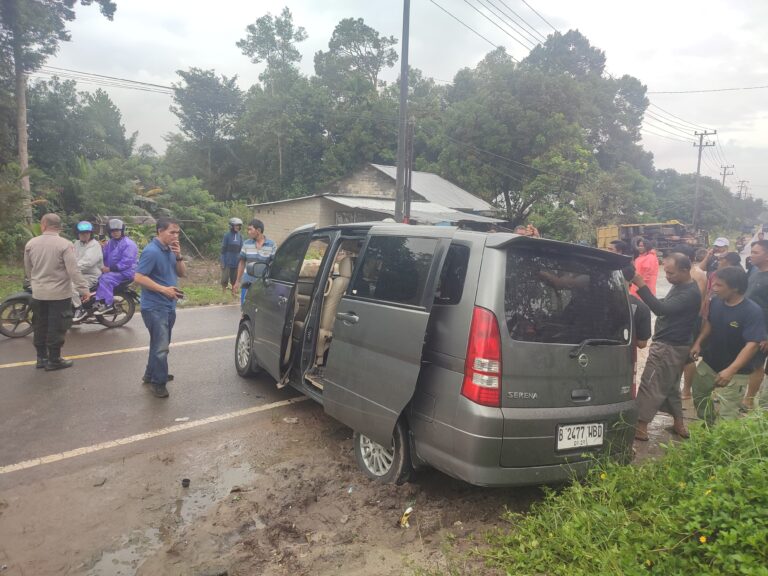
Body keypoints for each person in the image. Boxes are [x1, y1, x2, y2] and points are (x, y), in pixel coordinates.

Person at [631, 253, 701, 441]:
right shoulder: (682, 286)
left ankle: (640, 427)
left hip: (668, 346)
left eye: (671, 273)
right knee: (670, 386)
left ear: (685, 270)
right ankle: (679, 423)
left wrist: (641, 285)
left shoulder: (689, 293)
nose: (667, 276)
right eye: (666, 272)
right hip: (677, 345)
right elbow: (667, 305)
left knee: (651, 383)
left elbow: (661, 309)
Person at [690, 266, 765, 419]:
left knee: (728, 414)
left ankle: (721, 431)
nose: (714, 288)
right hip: (710, 362)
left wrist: (731, 370)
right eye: (714, 284)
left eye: (719, 285)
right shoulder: (716, 302)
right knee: (699, 395)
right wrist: (698, 342)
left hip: (737, 371)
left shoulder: (752, 311)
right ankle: (709, 425)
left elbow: (752, 345)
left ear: (735, 288)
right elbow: (709, 323)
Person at [23, 213, 90, 370]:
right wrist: (84, 289)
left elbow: (28, 269)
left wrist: (36, 283)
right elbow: (73, 271)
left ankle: (41, 358)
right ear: (59, 226)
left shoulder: (31, 243)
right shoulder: (65, 245)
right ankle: (54, 360)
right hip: (59, 295)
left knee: (40, 325)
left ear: (43, 225)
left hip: (38, 293)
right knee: (57, 326)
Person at [133, 218, 186, 398]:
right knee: (161, 346)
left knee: (159, 343)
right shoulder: (151, 251)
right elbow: (139, 277)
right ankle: (159, 382)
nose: (175, 236)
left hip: (169, 305)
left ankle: (151, 374)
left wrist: (179, 256)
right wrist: (164, 290)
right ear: (160, 231)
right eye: (172, 232)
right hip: (154, 307)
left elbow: (182, 273)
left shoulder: (170, 250)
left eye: (177, 233)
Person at [681, 248, 710, 399]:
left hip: (692, 318)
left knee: (688, 356)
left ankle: (687, 390)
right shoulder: (687, 273)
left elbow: (696, 300)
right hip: (685, 318)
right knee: (682, 355)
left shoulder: (696, 274)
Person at [95, 218, 138, 315]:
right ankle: (96, 301)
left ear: (122, 230)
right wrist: (100, 247)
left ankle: (108, 304)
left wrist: (109, 269)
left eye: (117, 230)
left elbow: (126, 262)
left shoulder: (129, 244)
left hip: (126, 272)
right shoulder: (110, 242)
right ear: (109, 232)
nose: (115, 233)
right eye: (113, 231)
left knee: (106, 279)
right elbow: (104, 255)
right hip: (113, 271)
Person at [744, 239, 768, 410]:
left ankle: (749, 400)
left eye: (755, 253)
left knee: (757, 364)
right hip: (748, 324)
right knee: (745, 359)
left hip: (763, 328)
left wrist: (766, 335)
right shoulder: (753, 270)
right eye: (751, 252)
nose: (751, 255)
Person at [235, 219, 276, 305]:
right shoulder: (246, 244)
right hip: (247, 281)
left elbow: (274, 263)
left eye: (250, 229)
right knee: (245, 306)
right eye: (248, 230)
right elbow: (242, 263)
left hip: (263, 283)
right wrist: (237, 281)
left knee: (260, 307)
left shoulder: (271, 244)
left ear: (258, 230)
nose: (248, 232)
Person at [71, 221, 104, 322]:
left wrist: (71, 268)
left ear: (91, 234)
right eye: (82, 233)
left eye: (87, 233)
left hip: (90, 275)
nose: (84, 235)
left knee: (70, 286)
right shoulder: (77, 244)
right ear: (78, 234)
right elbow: (70, 257)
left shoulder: (94, 245)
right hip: (77, 273)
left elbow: (87, 263)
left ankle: (79, 308)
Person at [220, 217, 243, 296]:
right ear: (232, 226)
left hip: (236, 262)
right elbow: (223, 250)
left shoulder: (240, 236)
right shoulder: (227, 235)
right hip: (227, 261)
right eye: (236, 225)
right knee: (224, 279)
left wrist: (241, 262)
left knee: (234, 279)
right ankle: (223, 293)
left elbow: (241, 250)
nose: (237, 227)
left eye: (239, 226)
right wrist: (222, 261)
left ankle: (233, 293)